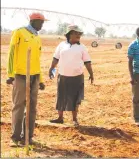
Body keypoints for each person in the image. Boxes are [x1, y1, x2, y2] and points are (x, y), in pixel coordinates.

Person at [6, 12, 47, 146]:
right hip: (21, 75)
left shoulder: (37, 37)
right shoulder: (19, 32)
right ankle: (15, 137)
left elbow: (37, 59)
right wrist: (10, 74)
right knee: (19, 106)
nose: (42, 25)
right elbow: (12, 53)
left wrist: (40, 79)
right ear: (34, 21)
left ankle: (28, 137)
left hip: (34, 76)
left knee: (32, 107)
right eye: (41, 22)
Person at [49, 25, 94, 126]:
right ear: (70, 34)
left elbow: (87, 62)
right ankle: (60, 118)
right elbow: (56, 58)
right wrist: (51, 68)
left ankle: (74, 119)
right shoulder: (61, 45)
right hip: (63, 75)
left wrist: (91, 74)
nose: (78, 35)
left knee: (75, 98)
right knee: (61, 97)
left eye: (79, 34)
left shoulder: (82, 47)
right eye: (76, 33)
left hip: (77, 77)